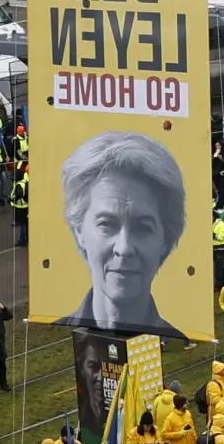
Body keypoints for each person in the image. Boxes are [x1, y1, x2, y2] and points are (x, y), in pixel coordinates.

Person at [51, 132, 190, 340]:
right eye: (106, 224)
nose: (123, 248)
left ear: (166, 239)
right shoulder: (58, 343)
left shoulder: (179, 347)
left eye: (142, 227)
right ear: (79, 230)